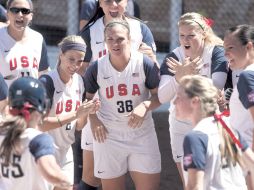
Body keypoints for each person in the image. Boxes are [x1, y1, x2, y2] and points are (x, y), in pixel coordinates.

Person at [78, 0, 157, 189]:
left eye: (118, 0)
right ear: (99, 3)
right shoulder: (90, 31)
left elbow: (154, 70)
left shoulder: (140, 29)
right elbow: (80, 70)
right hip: (100, 114)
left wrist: (151, 58)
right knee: (91, 176)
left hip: (135, 112)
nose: (113, 5)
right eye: (107, 1)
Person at [158, 12, 229, 186]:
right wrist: (177, 78)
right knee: (189, 182)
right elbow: (162, 96)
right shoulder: (174, 57)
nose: (185, 40)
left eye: (191, 35)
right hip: (180, 124)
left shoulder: (216, 52)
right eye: (182, 36)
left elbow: (217, 85)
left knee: (213, 181)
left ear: (203, 34)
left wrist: (190, 75)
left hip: (210, 123)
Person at [39, 35, 100, 189]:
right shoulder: (47, 82)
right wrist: (75, 114)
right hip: (44, 151)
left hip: (65, 152)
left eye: (80, 61)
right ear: (61, 55)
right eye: (71, 59)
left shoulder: (80, 82)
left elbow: (79, 126)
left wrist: (87, 110)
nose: (75, 65)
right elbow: (41, 125)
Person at [173, 75, 254, 190]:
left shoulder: (195, 137)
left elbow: (195, 187)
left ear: (195, 101)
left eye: (179, 97)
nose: (174, 102)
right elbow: (251, 166)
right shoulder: (228, 127)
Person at [0, 77, 72, 190]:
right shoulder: (38, 139)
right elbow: (51, 174)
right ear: (42, 110)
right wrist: (66, 182)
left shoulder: (2, 134)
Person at [224, 24, 254, 189]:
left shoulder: (247, 77)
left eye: (230, 47)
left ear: (249, 46)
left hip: (245, 161)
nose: (225, 54)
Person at [0, 0, 49, 87]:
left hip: (32, 98)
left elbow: (43, 74)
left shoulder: (38, 38)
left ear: (31, 16)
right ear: (7, 13)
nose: (20, 14)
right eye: (15, 10)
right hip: (5, 99)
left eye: (25, 11)